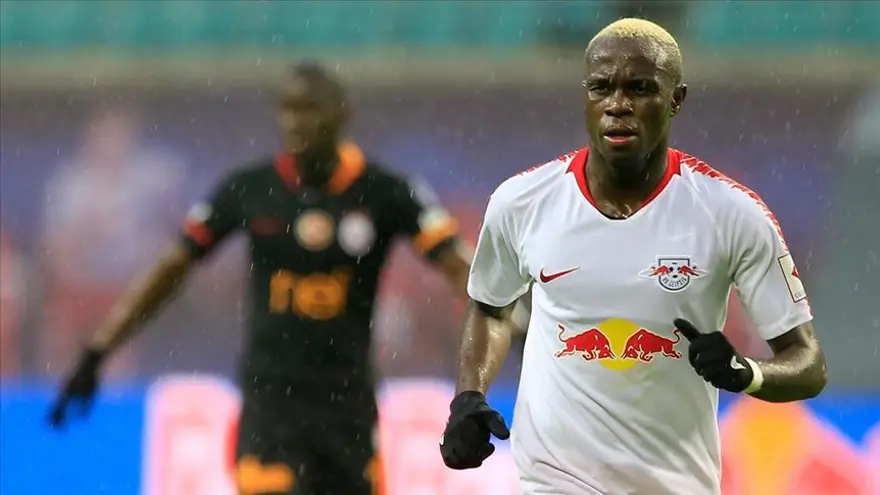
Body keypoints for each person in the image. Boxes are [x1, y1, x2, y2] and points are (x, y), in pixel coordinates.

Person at [48, 62, 508, 495]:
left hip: (347, 407)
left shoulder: (385, 192)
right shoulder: (250, 189)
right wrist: (99, 349)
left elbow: (461, 268)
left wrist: (511, 321)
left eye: (309, 109)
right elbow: (172, 268)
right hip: (272, 403)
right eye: (288, 109)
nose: (296, 122)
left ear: (342, 115)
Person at [439, 18, 827, 495]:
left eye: (639, 89)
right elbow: (490, 307)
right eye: (601, 88)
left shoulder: (733, 214)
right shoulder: (521, 201)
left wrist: (747, 373)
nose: (618, 105)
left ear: (676, 99)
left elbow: (808, 363)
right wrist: (468, 395)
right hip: (554, 481)